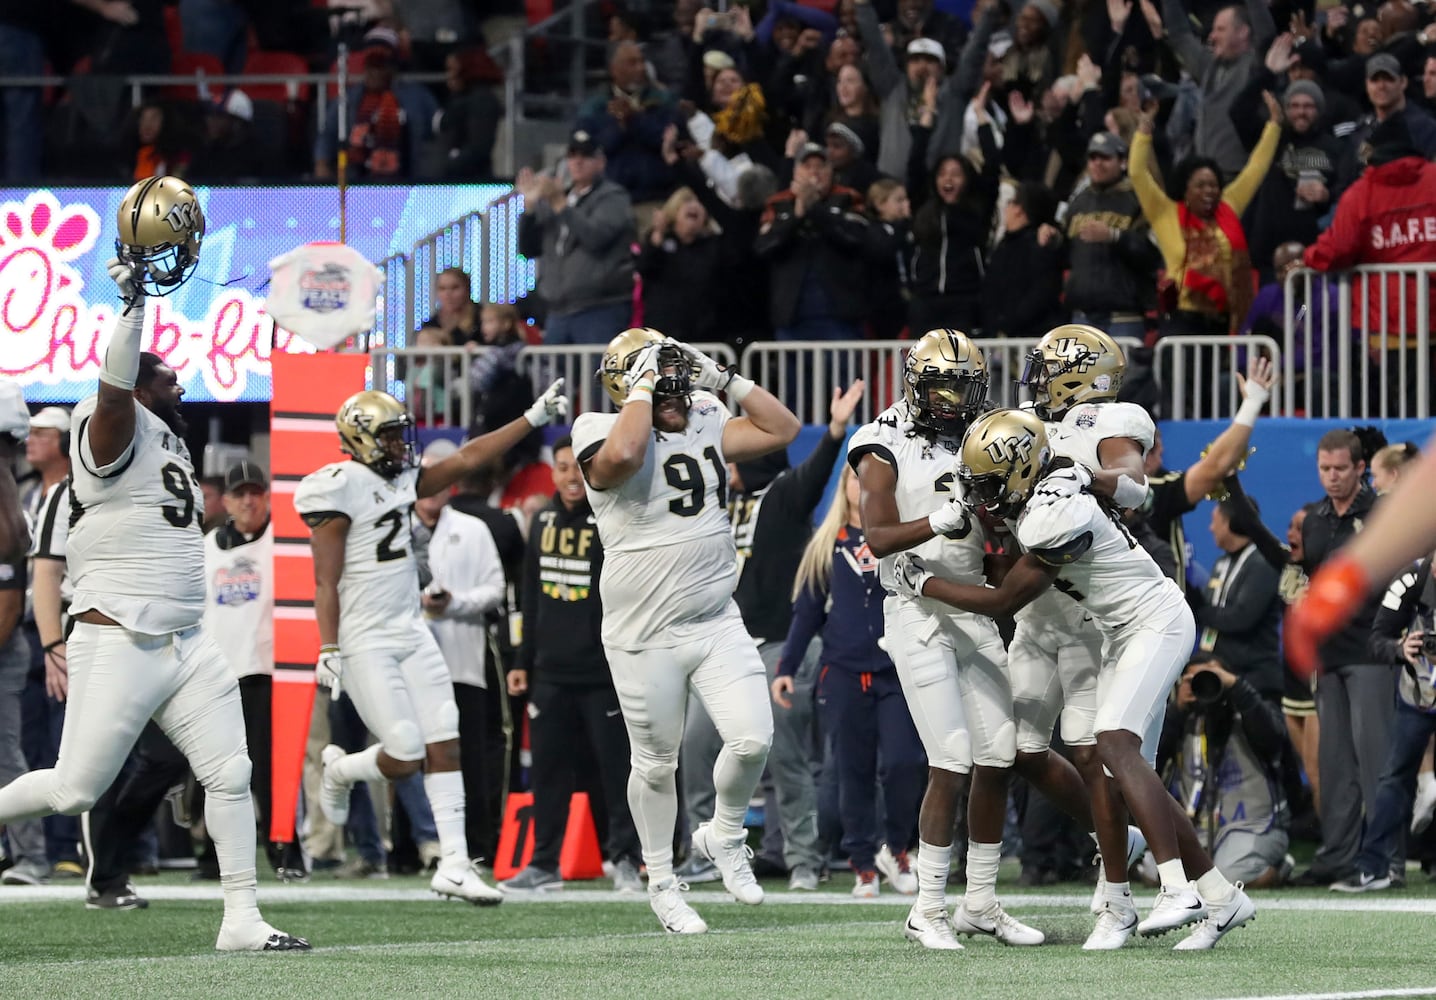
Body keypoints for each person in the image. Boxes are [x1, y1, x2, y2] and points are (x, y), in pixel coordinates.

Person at [0, 176, 306, 951]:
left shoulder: (168, 437)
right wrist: (134, 304)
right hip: (122, 634)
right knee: (75, 786)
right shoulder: (110, 418)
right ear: (137, 381)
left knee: (231, 774)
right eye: (166, 376)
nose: (181, 383)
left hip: (187, 640)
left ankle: (242, 919)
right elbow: (109, 395)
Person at [894, 408, 1256, 951]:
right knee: (1131, 773)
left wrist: (923, 583)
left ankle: (1176, 888)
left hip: (1151, 624)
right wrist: (1086, 476)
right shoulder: (1055, 483)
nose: (981, 494)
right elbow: (1132, 496)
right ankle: (1223, 898)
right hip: (1119, 631)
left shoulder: (1051, 514)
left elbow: (1004, 598)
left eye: (989, 482)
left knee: (1112, 745)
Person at [296, 368, 568, 905]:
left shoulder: (402, 479)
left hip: (411, 628)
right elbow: (325, 579)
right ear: (360, 440)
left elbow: (468, 459)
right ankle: (342, 770)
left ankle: (455, 863)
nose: (401, 444)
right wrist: (329, 645)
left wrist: (532, 419)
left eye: (401, 432)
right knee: (403, 750)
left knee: (446, 738)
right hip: (366, 637)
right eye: (390, 435)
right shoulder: (336, 487)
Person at [571, 328, 800, 933]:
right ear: (630, 384)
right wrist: (644, 385)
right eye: (661, 380)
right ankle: (663, 884)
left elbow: (783, 430)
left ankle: (724, 836)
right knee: (654, 762)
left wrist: (724, 378)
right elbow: (621, 457)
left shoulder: (703, 412)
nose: (676, 390)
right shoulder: (598, 429)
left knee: (752, 739)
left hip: (717, 617)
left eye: (677, 378)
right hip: (644, 633)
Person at [848, 330, 1044, 951]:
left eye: (963, 389)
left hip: (969, 605)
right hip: (914, 609)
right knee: (953, 756)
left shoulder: (978, 433)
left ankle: (980, 902)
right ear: (914, 383)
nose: (952, 401)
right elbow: (875, 536)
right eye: (940, 386)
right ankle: (926, 907)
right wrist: (937, 520)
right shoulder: (881, 442)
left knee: (1000, 752)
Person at [681, 382, 866, 891]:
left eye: (740, 457)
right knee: (695, 747)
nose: (730, 464)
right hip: (721, 644)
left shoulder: (783, 494)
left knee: (784, 757)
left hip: (780, 644)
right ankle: (701, 853)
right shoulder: (716, 499)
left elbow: (813, 475)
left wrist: (832, 432)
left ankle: (804, 860)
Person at [502, 436, 643, 894]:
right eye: (562, 467)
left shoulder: (612, 520)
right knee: (547, 772)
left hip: (602, 673)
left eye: (578, 469)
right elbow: (529, 596)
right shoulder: (541, 519)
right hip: (549, 673)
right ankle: (544, 863)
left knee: (616, 769)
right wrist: (523, 660)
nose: (570, 477)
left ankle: (626, 859)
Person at [777, 464, 924, 898]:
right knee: (851, 771)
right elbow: (806, 614)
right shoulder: (826, 543)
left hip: (895, 669)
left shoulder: (900, 536)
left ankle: (896, 847)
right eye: (853, 477)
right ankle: (863, 864)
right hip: (841, 673)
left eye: (868, 478)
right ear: (843, 487)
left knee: (905, 762)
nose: (861, 485)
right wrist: (786, 668)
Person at [1286, 430, 1392, 887]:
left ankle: (1384, 861)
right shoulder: (1312, 520)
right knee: (1335, 765)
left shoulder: (1383, 514)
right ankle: (1337, 857)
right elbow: (1310, 584)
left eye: (1340, 469)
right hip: (1330, 656)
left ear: (1360, 468)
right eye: (1324, 469)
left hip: (1371, 651)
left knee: (1377, 764)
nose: (1331, 477)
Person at [409, 444, 506, 874]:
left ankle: (476, 846)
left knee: (467, 754)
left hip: (461, 661)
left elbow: (495, 590)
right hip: (408, 662)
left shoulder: (474, 529)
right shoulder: (394, 528)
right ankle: (413, 847)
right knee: (409, 752)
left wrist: (453, 603)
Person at [201, 460, 301, 876]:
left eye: (255, 492)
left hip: (267, 670)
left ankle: (284, 851)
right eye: (240, 493)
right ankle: (211, 856)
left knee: (271, 768)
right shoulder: (208, 545)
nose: (248, 500)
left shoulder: (282, 541)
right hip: (219, 673)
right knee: (217, 770)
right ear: (226, 500)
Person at [1303, 113, 1436, 418]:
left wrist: (1308, 257)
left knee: (1407, 417)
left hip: (1392, 324)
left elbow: (1336, 250)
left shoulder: (1362, 193)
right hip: (1427, 316)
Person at [1326, 551, 1436, 892]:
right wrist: (1401, 648)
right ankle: (1374, 866)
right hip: (1418, 696)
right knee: (1393, 779)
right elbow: (1376, 640)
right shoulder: (1412, 578)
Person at [1131, 99, 1282, 337]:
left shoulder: (1228, 206)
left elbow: (1256, 168)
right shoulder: (1165, 213)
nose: (1209, 191)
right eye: (1200, 185)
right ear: (1185, 189)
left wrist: (1274, 125)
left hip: (1222, 320)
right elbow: (1137, 173)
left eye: (1213, 185)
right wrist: (1144, 131)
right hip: (1182, 319)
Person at [1159, 654, 1291, 888]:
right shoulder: (1184, 716)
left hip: (1253, 824)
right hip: (1197, 826)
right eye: (1194, 679)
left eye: (1211, 677)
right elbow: (1153, 760)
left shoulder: (1247, 710)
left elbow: (1273, 740)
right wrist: (1176, 710)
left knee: (1229, 875)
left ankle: (1280, 866)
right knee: (1156, 872)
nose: (1203, 685)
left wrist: (1238, 687)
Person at [20, 406, 81, 879]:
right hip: (23, 625)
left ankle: (66, 845)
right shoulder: (21, 493)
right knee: (28, 739)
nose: (30, 441)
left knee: (69, 739)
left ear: (64, 442)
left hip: (66, 621)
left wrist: (55, 639)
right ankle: (30, 844)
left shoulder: (82, 493)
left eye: (42, 434)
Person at [515, 131, 636, 346]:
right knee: (555, 378)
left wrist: (561, 205)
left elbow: (595, 237)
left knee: (597, 376)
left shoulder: (613, 197)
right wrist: (530, 208)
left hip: (600, 309)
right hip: (557, 312)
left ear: (600, 162)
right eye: (572, 155)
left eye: (586, 155)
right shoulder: (558, 199)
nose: (578, 161)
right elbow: (528, 249)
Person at [1154, 0, 1276, 178]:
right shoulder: (1209, 67)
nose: (1212, 36)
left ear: (1243, 32)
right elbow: (1180, 35)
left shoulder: (1256, 65)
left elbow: (1265, 34)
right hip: (1206, 178)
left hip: (1241, 178)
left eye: (1220, 29)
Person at [1062, 132, 1161, 342]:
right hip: (1082, 315)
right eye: (1093, 158)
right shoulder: (1078, 200)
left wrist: (1115, 236)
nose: (1097, 164)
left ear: (1122, 161)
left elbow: (1152, 254)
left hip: (1123, 317)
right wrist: (1051, 237)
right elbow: (1065, 251)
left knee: (1120, 376)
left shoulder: (1138, 199)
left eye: (1105, 158)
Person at [1194, 496, 1284, 702]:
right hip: (1221, 673)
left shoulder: (1263, 563)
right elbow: (1215, 610)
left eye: (1214, 520)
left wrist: (1199, 608)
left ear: (1229, 523)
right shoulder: (1221, 562)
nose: (1210, 528)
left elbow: (1241, 618)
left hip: (1254, 680)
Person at [425, 267, 481, 346]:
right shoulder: (430, 326)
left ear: (467, 289)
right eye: (442, 288)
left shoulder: (483, 319)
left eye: (455, 287)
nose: (448, 294)